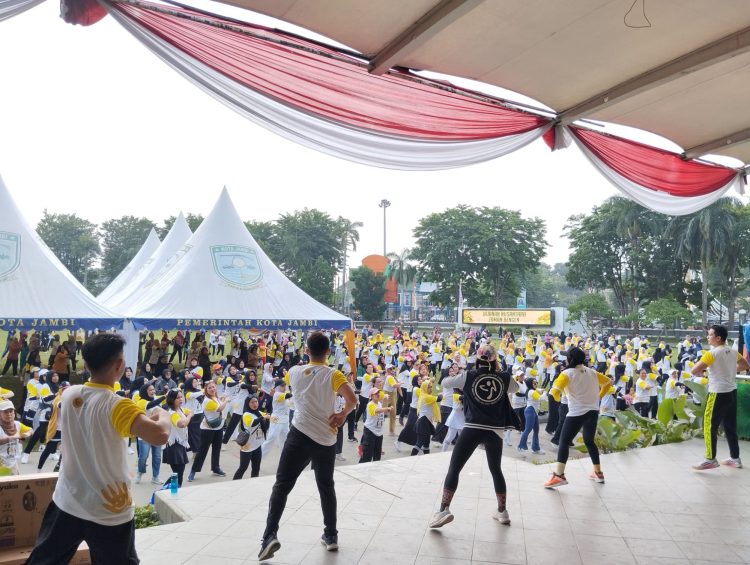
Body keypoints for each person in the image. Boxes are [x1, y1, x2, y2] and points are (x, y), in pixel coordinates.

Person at [26, 333, 170, 565]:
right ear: (120, 365)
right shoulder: (118, 405)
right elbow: (160, 435)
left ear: (85, 363)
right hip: (109, 508)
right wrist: (163, 415)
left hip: (67, 500)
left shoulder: (70, 393)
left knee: (44, 560)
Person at [258, 332, 356, 561]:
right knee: (326, 486)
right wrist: (342, 415)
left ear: (306, 351)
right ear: (329, 352)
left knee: (282, 485)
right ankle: (331, 536)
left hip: (299, 435)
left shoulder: (294, 372)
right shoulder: (334, 375)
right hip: (325, 439)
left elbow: (300, 380)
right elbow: (352, 400)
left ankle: (269, 536)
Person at [429, 345, 520, 529]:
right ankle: (502, 511)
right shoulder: (503, 377)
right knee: (496, 470)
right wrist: (498, 372)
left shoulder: (468, 376)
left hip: (472, 428)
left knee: (454, 468)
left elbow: (445, 382)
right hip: (495, 431)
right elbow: (516, 387)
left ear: (477, 359)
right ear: (495, 359)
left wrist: (462, 373)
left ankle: (444, 509)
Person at [544, 347, 611, 489]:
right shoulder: (592, 372)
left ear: (569, 359)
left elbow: (554, 391)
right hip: (593, 412)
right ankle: (598, 473)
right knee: (589, 442)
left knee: (564, 442)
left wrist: (556, 400)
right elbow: (608, 382)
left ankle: (559, 476)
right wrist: (598, 396)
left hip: (576, 413)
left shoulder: (566, 373)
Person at [691, 324, 750, 470]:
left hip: (717, 393)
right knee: (730, 426)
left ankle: (710, 459)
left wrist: (707, 370)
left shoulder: (711, 353)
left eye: (710, 335)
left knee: (709, 425)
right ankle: (735, 458)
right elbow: (745, 365)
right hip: (731, 392)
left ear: (718, 338)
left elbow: (694, 370)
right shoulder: (733, 351)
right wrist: (730, 370)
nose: (708, 337)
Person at [188, 380, 229, 481]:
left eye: (213, 387)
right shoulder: (207, 401)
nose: (212, 389)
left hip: (218, 427)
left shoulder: (215, 397)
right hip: (207, 429)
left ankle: (215, 468)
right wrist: (226, 401)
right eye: (209, 388)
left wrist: (222, 399)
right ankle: (193, 471)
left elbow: (219, 403)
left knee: (216, 448)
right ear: (206, 390)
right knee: (202, 450)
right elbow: (220, 409)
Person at [233, 395, 270, 479]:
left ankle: (254, 485)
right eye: (252, 402)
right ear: (247, 403)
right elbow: (253, 423)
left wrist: (270, 417)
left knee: (256, 468)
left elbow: (268, 420)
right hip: (247, 446)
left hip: (257, 445)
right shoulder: (246, 414)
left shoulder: (259, 413)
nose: (255, 404)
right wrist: (262, 417)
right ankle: (234, 484)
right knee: (243, 468)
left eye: (256, 401)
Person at [162, 389, 190, 487]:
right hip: (174, 445)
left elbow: (189, 411)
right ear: (172, 399)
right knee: (178, 474)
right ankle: (161, 493)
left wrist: (189, 413)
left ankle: (174, 492)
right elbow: (182, 424)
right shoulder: (172, 413)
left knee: (178, 474)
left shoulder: (180, 409)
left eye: (181, 397)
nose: (180, 399)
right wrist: (189, 416)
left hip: (180, 444)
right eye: (177, 398)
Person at [260, 380, 292, 457]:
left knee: (285, 441)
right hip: (276, 420)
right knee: (271, 439)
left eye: (284, 385)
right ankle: (258, 456)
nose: (284, 387)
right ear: (277, 387)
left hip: (285, 421)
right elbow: (289, 395)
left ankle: (284, 458)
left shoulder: (283, 394)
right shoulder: (277, 394)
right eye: (282, 386)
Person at [0, 399, 32, 474]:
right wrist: (12, 438)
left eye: (11, 411)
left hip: (13, 463)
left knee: (16, 484)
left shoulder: (17, 424)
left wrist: (27, 434)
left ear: (14, 413)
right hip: (1, 465)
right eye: (5, 412)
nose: (9, 414)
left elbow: (30, 430)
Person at [359, 387, 390, 463]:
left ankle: (375, 471)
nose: (378, 394)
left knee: (377, 455)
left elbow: (381, 413)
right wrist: (386, 409)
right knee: (367, 455)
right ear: (371, 396)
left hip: (379, 432)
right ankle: (361, 469)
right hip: (370, 431)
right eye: (375, 393)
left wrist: (386, 409)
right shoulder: (370, 404)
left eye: (378, 393)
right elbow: (376, 411)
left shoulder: (379, 403)